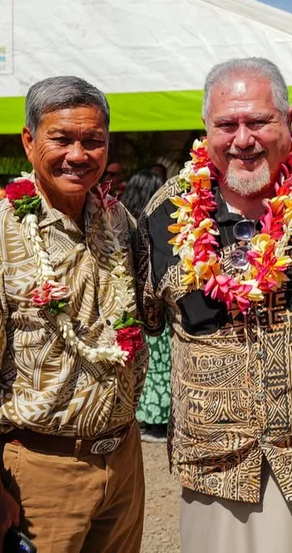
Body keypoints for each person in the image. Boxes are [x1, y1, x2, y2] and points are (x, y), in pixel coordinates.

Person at [136, 57, 292, 553]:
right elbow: (136, 319)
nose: (242, 138)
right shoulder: (162, 215)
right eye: (226, 124)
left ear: (290, 120)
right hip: (214, 473)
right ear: (206, 130)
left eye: (258, 121)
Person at [0, 76, 147, 553]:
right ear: (28, 141)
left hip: (124, 462)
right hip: (39, 473)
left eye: (93, 141)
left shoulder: (119, 221)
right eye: (61, 139)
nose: (78, 155)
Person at [120, 169, 170, 443]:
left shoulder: (121, 219)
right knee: (161, 364)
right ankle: (160, 419)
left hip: (132, 304)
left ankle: (146, 415)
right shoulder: (157, 217)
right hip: (155, 303)